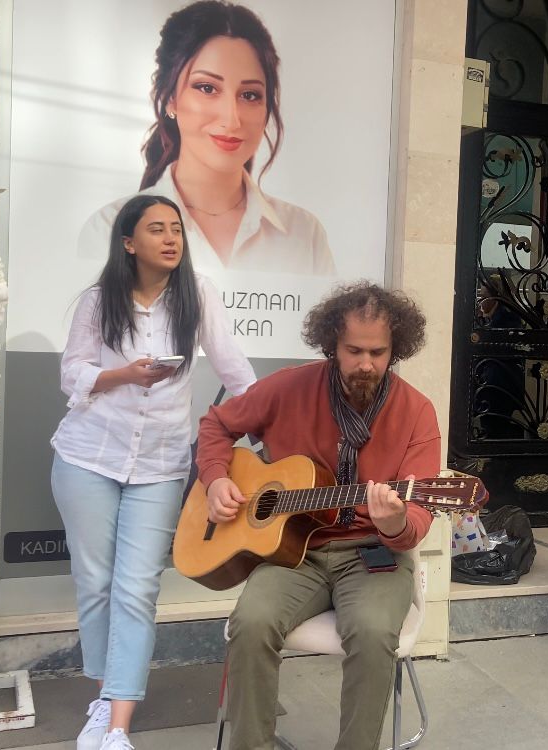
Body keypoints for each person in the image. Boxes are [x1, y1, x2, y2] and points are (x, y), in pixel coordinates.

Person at [51, 194, 257, 750]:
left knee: (138, 587)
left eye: (176, 229)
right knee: (96, 583)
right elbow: (71, 373)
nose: (170, 239)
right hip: (88, 457)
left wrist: (271, 430)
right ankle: (103, 703)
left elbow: (235, 370)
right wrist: (124, 375)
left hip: (161, 465)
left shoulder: (198, 295)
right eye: (156, 229)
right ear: (128, 242)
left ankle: (118, 726)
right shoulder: (99, 300)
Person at [195, 283, 439, 750]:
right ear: (332, 345)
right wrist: (216, 479)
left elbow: (418, 519)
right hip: (294, 554)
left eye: (378, 352)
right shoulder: (290, 387)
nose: (366, 364)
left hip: (372, 554)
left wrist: (393, 523)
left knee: (372, 633)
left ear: (396, 349)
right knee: (251, 624)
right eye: (353, 351)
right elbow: (217, 425)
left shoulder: (416, 412)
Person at [79, 1, 335, 275]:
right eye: (207, 88)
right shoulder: (109, 230)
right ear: (169, 98)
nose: (232, 119)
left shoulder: (304, 236)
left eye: (250, 95)